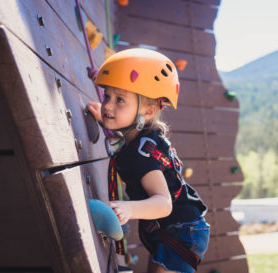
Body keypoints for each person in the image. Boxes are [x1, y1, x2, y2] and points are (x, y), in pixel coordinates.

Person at [87, 48, 210, 273]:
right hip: (180, 228)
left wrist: (127, 209)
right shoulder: (145, 139)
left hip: (181, 230)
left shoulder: (140, 153)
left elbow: (163, 204)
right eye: (107, 96)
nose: (107, 106)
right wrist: (106, 120)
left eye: (120, 100)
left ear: (149, 111)